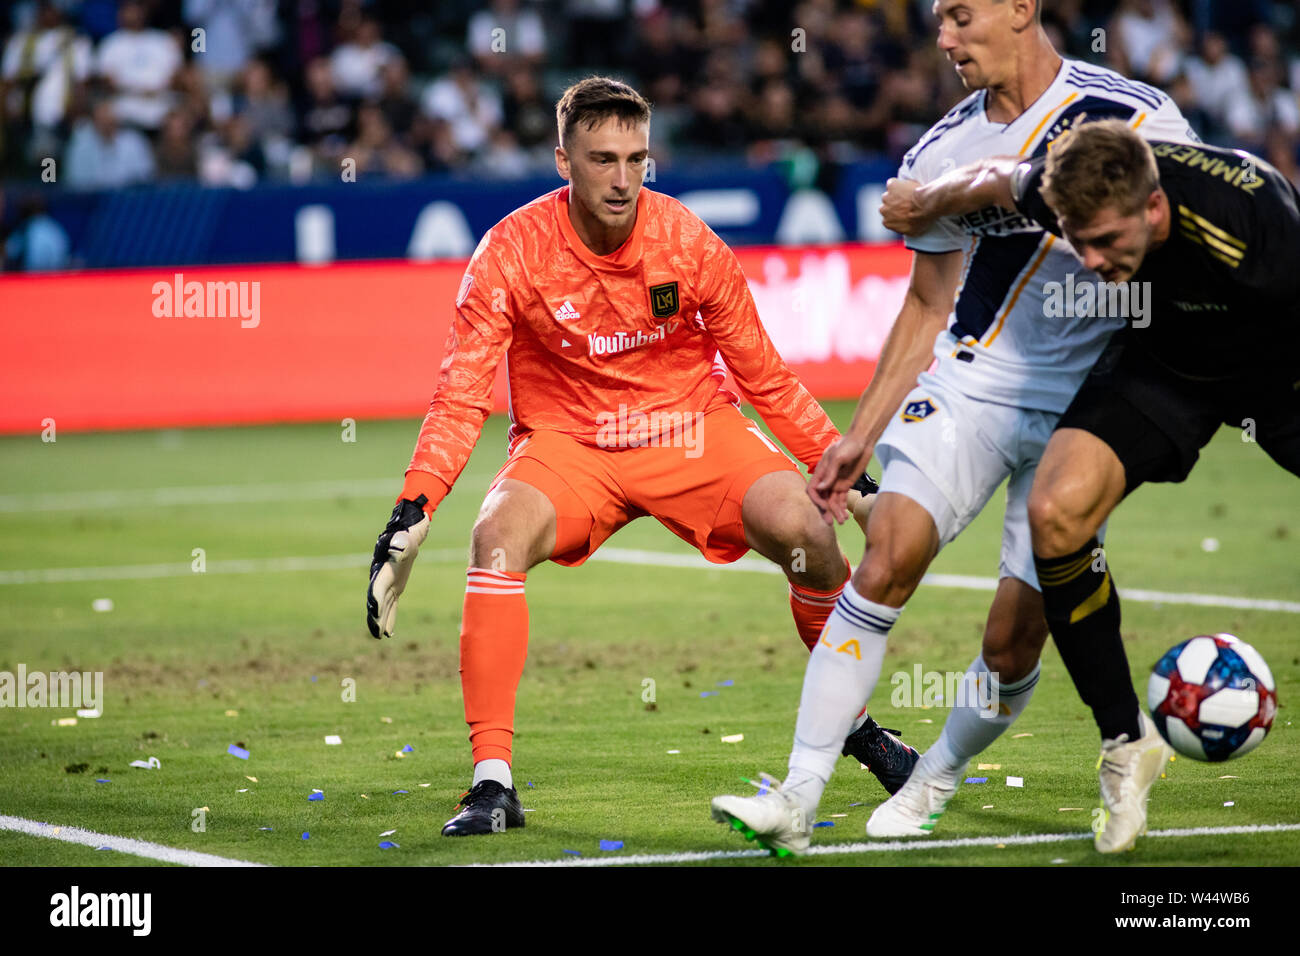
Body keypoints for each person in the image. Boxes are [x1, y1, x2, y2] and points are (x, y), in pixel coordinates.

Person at [709, 0, 1194, 856]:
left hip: (1087, 413)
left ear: (1022, 8)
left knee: (1011, 643)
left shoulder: (1138, 117)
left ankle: (934, 774)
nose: (943, 38)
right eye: (937, 21)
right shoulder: (938, 151)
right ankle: (797, 794)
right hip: (973, 380)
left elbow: (1182, 242)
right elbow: (928, 303)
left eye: (960, 16)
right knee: (887, 557)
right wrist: (861, 434)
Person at [364, 76, 905, 838]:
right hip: (571, 446)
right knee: (495, 540)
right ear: (563, 161)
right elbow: (460, 394)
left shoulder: (688, 242)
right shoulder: (509, 253)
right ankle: (493, 783)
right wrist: (415, 506)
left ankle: (854, 727)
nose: (623, 179)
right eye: (602, 159)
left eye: (636, 158)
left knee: (811, 537)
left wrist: (851, 481)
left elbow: (766, 378)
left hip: (692, 431)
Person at [896, 120, 1300, 852]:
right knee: (1055, 514)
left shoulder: (1263, 237)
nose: (1090, 260)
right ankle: (1126, 741)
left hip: (1279, 370)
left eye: (1106, 243)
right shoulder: (1075, 187)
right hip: (1165, 368)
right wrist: (924, 201)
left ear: (1153, 209)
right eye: (1078, 242)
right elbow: (993, 177)